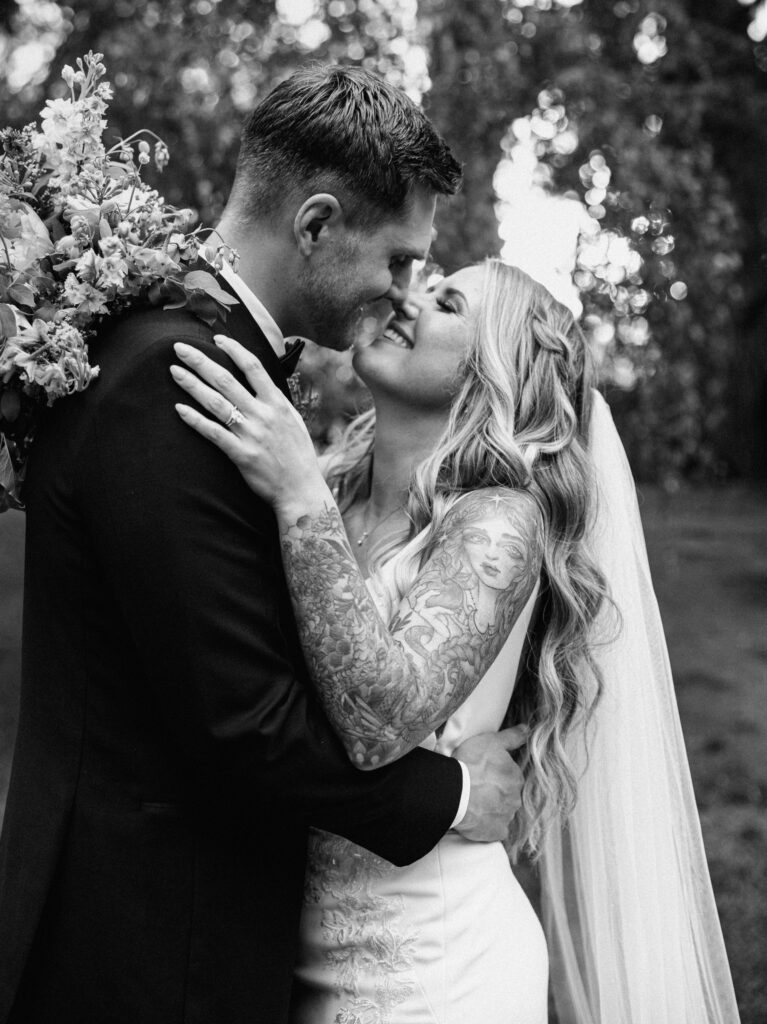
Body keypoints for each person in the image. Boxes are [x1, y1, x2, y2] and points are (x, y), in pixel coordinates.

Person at [0, 67, 527, 1024]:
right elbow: (242, 719)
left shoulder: (204, 364)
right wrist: (446, 796)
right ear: (316, 225)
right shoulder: (177, 378)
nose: (403, 293)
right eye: (400, 260)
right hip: (143, 945)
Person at [172, 259, 742, 1023]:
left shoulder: (496, 521)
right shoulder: (331, 491)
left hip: (436, 969)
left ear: (493, 372)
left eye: (444, 304)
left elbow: (379, 723)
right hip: (285, 950)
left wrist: (296, 492)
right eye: (419, 285)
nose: (405, 300)